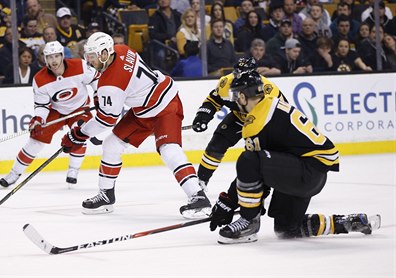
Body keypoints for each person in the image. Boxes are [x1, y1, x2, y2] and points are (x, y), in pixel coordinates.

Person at [207, 70, 380, 244]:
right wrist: (232, 202)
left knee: (247, 159)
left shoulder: (256, 122)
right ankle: (346, 222)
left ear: (244, 96)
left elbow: (254, 169)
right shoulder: (270, 103)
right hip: (310, 171)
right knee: (286, 228)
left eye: (236, 95)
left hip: (305, 172)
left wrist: (230, 202)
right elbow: (263, 173)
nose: (235, 101)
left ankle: (249, 224)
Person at [60, 32, 212, 218]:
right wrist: (101, 96)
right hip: (144, 107)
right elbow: (117, 83)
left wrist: (78, 135)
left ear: (105, 53)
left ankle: (198, 197)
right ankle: (106, 195)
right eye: (88, 56)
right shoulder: (121, 49)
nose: (89, 61)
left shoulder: (111, 84)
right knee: (112, 144)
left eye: (92, 56)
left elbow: (106, 120)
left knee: (169, 149)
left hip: (165, 104)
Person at [0, 41, 99, 188]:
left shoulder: (80, 66)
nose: (54, 61)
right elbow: (42, 105)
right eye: (50, 57)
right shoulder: (40, 79)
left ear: (62, 56)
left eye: (56, 56)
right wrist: (39, 118)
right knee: (36, 140)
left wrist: (98, 96)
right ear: (45, 59)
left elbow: (96, 79)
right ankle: (14, 173)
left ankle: (73, 170)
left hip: (80, 108)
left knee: (79, 133)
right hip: (56, 110)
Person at [192, 57, 286, 191]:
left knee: (261, 156)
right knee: (217, 144)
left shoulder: (268, 88)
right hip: (239, 118)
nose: (238, 77)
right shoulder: (225, 83)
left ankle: (273, 184)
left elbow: (283, 110)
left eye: (244, 74)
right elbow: (213, 100)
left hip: (261, 122)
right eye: (237, 73)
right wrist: (202, 116)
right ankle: (201, 180)